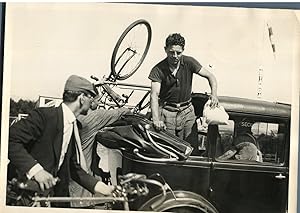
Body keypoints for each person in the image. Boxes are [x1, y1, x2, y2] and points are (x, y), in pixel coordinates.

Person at [8, 75, 115, 207]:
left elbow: (73, 167)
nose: (93, 101)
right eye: (91, 97)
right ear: (82, 98)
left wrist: (101, 188)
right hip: (23, 197)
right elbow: (10, 139)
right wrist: (36, 170)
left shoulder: (72, 124)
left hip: (47, 199)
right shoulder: (44, 116)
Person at [148, 33, 219, 140]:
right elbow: (154, 95)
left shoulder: (189, 62)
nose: (175, 56)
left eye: (178, 53)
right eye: (171, 52)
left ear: (183, 50)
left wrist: (214, 94)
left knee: (191, 146)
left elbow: (211, 76)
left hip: (187, 112)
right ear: (165, 49)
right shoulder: (158, 70)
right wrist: (156, 119)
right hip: (167, 112)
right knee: (170, 147)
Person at [69, 96, 131, 208]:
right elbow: (122, 112)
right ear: (91, 101)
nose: (100, 102)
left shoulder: (74, 115)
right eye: (99, 100)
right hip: (81, 179)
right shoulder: (93, 117)